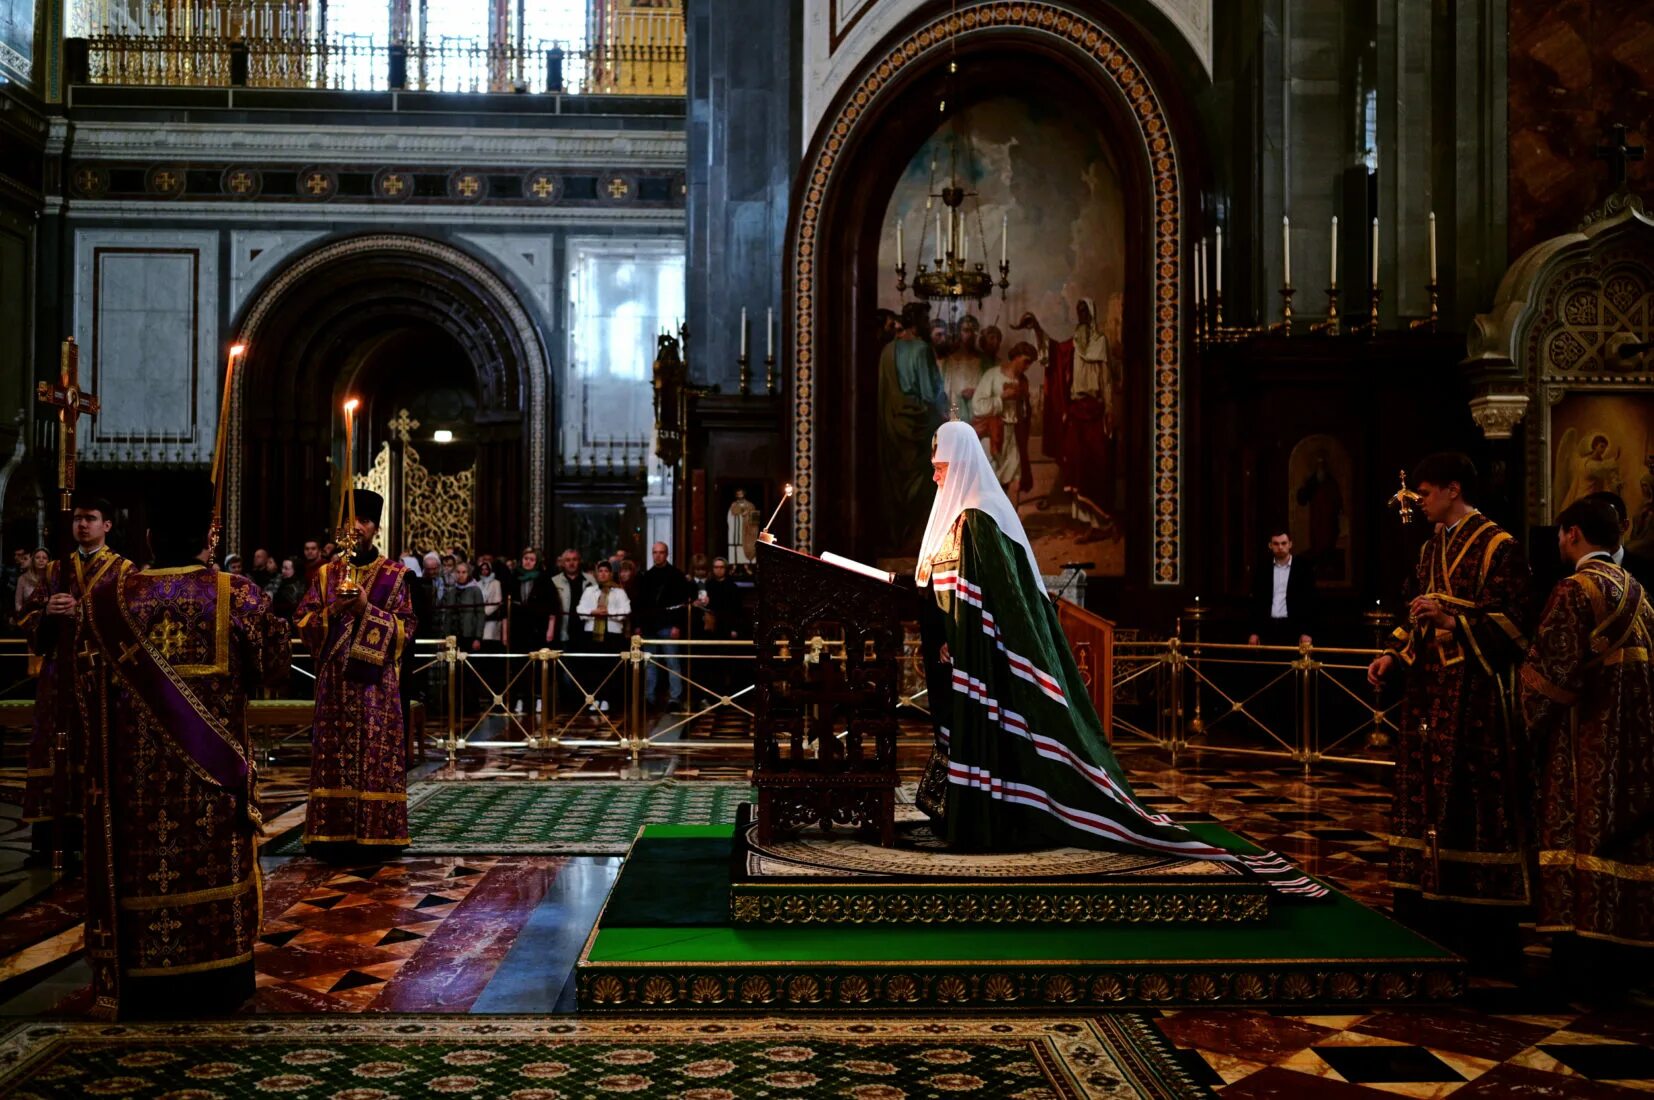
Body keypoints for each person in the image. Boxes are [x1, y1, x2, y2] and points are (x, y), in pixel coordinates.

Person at [912, 422, 1306, 879]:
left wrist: (964, 639)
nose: (934, 475)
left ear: (959, 465)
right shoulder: (957, 520)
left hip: (985, 664)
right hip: (964, 661)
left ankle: (993, 818)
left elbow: (1000, 605)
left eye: (939, 466)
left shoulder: (980, 521)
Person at [79, 481, 289, 1019]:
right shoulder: (236, 594)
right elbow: (274, 668)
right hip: (211, 787)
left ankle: (146, 981)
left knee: (146, 872)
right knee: (213, 871)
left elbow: (85, 693)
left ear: (148, 537)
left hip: (135, 788)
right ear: (206, 537)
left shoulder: (109, 598)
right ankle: (218, 978)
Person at [1366, 452, 1532, 967]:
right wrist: (1393, 653)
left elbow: (1515, 624)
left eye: (1426, 493)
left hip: (1475, 698)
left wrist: (1452, 620)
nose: (1418, 502)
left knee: (1472, 798)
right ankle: (1423, 903)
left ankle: (1477, 916)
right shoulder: (1431, 547)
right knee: (1425, 794)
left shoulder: (1499, 546)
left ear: (1453, 489)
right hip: (1428, 693)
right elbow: (1413, 608)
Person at [1519, 497, 1654, 997]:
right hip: (1636, 737)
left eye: (1560, 533)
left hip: (1586, 735)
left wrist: (1525, 725)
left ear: (1572, 534)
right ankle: (1625, 945)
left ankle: (1580, 948)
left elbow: (1547, 677)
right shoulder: (1637, 589)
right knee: (1620, 831)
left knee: (1581, 830)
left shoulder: (1576, 589)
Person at [294, 489, 416, 862]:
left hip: (376, 686)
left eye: (363, 521)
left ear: (375, 528)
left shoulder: (396, 576)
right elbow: (305, 622)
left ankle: (378, 831)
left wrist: (366, 609)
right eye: (350, 521)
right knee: (335, 754)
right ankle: (331, 831)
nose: (356, 528)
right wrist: (332, 610)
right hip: (334, 687)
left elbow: (405, 629)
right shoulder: (327, 574)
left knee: (375, 756)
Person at [19, 499, 130, 867]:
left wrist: (83, 612)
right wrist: (47, 614)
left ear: (107, 525)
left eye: (91, 519)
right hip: (57, 677)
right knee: (52, 751)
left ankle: (97, 841)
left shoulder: (122, 571)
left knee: (96, 752)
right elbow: (30, 620)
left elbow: (128, 625)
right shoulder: (54, 570)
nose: (83, 525)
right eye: (78, 518)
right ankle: (49, 838)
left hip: (100, 679)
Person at [1015, 298, 1116, 542]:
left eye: (1084, 310)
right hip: (1075, 412)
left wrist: (1110, 410)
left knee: (1095, 465)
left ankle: (1104, 523)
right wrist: (1037, 327)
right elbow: (1051, 351)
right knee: (1076, 465)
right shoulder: (1073, 345)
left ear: (1091, 313)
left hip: (1095, 411)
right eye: (1078, 310)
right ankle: (1087, 524)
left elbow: (1107, 380)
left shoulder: (1100, 343)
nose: (1080, 314)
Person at [877, 301, 947, 550]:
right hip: (919, 428)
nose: (929, 325)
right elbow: (931, 393)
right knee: (925, 480)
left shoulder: (887, 351)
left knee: (898, 483)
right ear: (918, 323)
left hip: (893, 426)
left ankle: (899, 539)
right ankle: (918, 541)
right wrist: (949, 418)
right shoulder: (921, 349)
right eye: (926, 320)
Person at [970, 340, 1035, 496]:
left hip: (1014, 435)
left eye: (1030, 364)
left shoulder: (1023, 381)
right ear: (1016, 357)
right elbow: (978, 406)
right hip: (994, 434)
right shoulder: (992, 375)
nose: (1027, 367)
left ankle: (1013, 521)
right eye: (1025, 362)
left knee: (1016, 481)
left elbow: (1025, 412)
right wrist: (1001, 398)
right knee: (991, 483)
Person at [639, 541, 694, 708]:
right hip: (650, 626)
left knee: (673, 663)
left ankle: (675, 698)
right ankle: (649, 697)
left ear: (667, 554)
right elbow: (642, 603)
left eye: (661, 552)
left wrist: (677, 625)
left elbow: (682, 604)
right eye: (655, 552)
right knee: (650, 664)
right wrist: (640, 625)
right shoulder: (647, 576)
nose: (657, 555)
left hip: (669, 624)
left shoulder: (676, 576)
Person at [574, 560, 631, 715]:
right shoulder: (590, 590)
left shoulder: (618, 591)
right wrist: (593, 611)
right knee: (594, 666)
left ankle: (607, 698)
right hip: (592, 633)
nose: (603, 574)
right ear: (596, 573)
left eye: (606, 571)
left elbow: (626, 609)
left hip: (612, 634)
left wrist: (608, 612)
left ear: (611, 573)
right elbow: (580, 608)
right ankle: (595, 698)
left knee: (609, 667)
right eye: (601, 571)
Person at [1247, 527, 1316, 647]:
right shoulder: (1263, 569)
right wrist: (1254, 632)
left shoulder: (1303, 568)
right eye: (1276, 544)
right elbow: (1256, 603)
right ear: (1270, 545)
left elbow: (1310, 601)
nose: (1280, 547)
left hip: (1293, 628)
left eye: (1283, 543)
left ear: (1290, 544)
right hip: (1268, 628)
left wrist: (1307, 631)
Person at [1583, 490, 1654, 589]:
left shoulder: (1647, 570)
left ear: (1624, 526)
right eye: (1589, 524)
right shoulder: (1569, 572)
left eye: (1604, 523)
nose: (1596, 531)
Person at [547, 548, 595, 647]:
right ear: (563, 563)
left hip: (586, 629)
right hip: (564, 629)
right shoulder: (555, 581)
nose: (571, 563)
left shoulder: (591, 580)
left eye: (574, 559)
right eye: (568, 560)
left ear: (579, 561)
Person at [14, 546, 49, 619]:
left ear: (48, 561)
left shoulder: (52, 578)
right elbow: (18, 605)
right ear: (33, 560)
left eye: (44, 558)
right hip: (28, 620)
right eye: (37, 557)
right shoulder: (23, 579)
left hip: (48, 618)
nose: (41, 560)